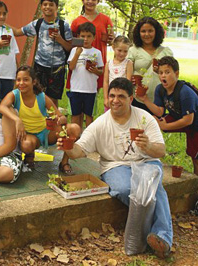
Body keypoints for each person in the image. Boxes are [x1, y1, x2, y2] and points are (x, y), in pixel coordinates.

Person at [58, 77, 172, 258]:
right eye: (112, 95)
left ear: (131, 99)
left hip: (146, 161)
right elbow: (80, 151)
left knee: (152, 187)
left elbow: (161, 151)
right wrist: (68, 147)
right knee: (125, 189)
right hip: (115, 165)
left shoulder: (144, 118)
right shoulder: (100, 124)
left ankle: (163, 237)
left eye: (121, 96)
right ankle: (152, 233)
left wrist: (148, 145)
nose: (115, 100)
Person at [136, 56, 198, 194]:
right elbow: (159, 111)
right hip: (180, 118)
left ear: (176, 74)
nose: (163, 75)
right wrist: (145, 99)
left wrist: (165, 126)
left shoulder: (185, 92)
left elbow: (188, 120)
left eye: (167, 72)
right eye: (160, 72)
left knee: (197, 159)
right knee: (153, 120)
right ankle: (148, 154)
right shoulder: (160, 89)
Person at [0, 66, 81, 174]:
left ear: (34, 81)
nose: (21, 83)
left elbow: (60, 116)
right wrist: (17, 120)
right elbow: (1, 107)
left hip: (46, 132)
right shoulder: (15, 95)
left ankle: (64, 162)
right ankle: (29, 156)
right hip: (29, 135)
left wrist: (60, 119)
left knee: (74, 129)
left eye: (26, 79)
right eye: (19, 80)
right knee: (26, 145)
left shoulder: (41, 97)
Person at [11, 0, 72, 107]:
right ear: (41, 6)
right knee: (38, 95)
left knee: (53, 99)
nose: (47, 7)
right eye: (44, 4)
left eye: (51, 4)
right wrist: (2, 23)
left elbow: (69, 47)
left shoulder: (64, 26)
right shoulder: (37, 24)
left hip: (57, 68)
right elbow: (18, 32)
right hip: (40, 66)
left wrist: (59, 39)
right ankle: (40, 121)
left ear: (56, 7)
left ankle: (52, 122)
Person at [70, 0, 114, 91]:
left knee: (95, 90)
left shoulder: (106, 19)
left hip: (97, 59)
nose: (90, 1)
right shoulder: (77, 21)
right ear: (83, 0)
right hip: (81, 59)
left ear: (98, 1)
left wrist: (111, 39)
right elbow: (71, 40)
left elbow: (112, 39)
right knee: (80, 88)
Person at [128, 16, 173, 113]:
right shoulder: (133, 50)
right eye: (143, 31)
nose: (147, 34)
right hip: (137, 98)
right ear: (138, 33)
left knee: (155, 126)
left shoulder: (166, 51)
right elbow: (126, 72)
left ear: (156, 32)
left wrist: (160, 71)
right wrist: (130, 79)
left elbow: (173, 75)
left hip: (159, 99)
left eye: (150, 31)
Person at [67, 22, 104, 130]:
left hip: (90, 89)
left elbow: (101, 71)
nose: (86, 39)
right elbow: (71, 67)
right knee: (75, 114)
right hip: (76, 89)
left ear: (94, 37)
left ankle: (88, 136)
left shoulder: (97, 52)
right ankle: (75, 136)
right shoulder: (74, 50)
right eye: (83, 36)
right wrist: (78, 53)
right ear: (78, 37)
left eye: (89, 36)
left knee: (89, 115)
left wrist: (95, 70)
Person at [103, 35, 133, 111]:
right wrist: (106, 98)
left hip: (122, 96)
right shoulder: (108, 63)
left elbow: (128, 82)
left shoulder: (128, 63)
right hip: (111, 96)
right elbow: (106, 82)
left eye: (125, 51)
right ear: (113, 48)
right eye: (119, 50)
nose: (122, 54)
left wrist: (127, 98)